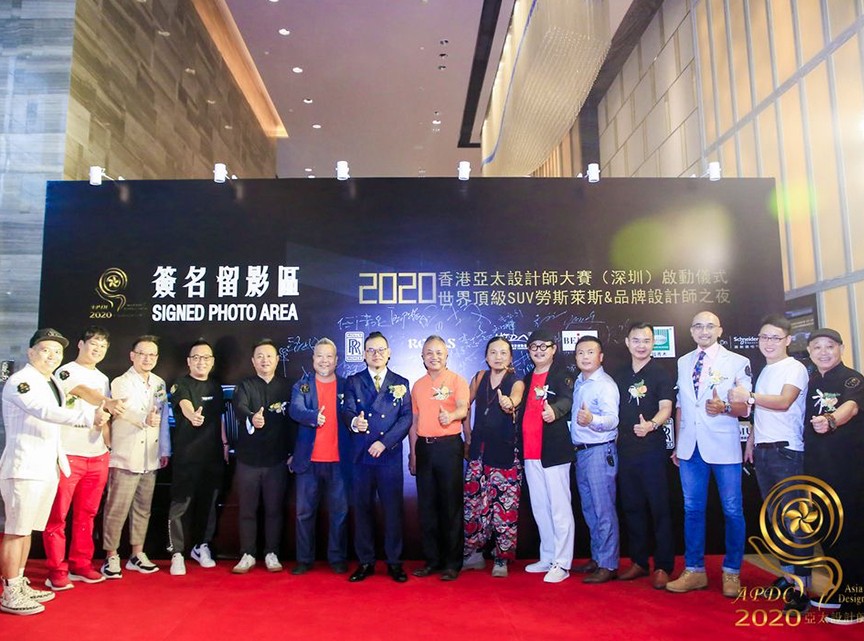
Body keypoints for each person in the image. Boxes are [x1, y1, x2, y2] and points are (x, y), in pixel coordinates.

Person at [1, 329, 109, 616]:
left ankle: (18, 581)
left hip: (45, 467)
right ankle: (10, 592)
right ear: (31, 352)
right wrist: (88, 416)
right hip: (24, 467)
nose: (52, 356)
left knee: (26, 531)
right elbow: (43, 411)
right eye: (45, 350)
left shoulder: (50, 382)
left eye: (57, 352)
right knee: (15, 531)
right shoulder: (21, 381)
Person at [727, 314, 810, 612]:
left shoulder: (795, 368)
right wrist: (751, 440)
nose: (769, 342)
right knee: (776, 521)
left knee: (795, 522)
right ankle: (788, 577)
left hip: (787, 452)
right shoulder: (764, 370)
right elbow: (761, 412)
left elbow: (784, 402)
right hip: (764, 451)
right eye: (764, 337)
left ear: (788, 340)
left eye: (775, 337)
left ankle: (802, 589)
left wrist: (748, 395)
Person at [667, 311, 751, 598]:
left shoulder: (738, 361)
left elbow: (746, 406)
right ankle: (694, 571)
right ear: (691, 331)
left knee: (732, 510)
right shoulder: (683, 361)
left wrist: (725, 408)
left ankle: (732, 571)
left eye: (710, 326)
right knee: (692, 509)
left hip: (724, 446)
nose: (704, 331)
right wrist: (679, 444)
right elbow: (682, 405)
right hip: (690, 448)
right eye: (698, 326)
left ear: (720, 330)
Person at [44, 325, 126, 590]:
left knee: (87, 514)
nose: (98, 350)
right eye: (93, 344)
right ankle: (56, 569)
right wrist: (106, 402)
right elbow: (81, 390)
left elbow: (104, 418)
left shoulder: (103, 377)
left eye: (103, 346)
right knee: (58, 516)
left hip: (97, 456)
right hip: (68, 454)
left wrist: (108, 445)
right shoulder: (65, 371)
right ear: (80, 344)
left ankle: (80, 563)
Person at [802, 328, 864, 625]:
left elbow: (850, 408)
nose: (823, 352)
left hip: (848, 469)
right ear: (810, 352)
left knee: (850, 533)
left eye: (829, 346)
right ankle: (840, 588)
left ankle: (857, 600)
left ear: (841, 348)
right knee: (827, 530)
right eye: (817, 347)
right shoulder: (812, 381)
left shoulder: (852, 379)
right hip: (818, 469)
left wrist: (830, 419)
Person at [341, 332, 412, 583]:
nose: (376, 354)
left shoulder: (400, 382)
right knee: (363, 510)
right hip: (361, 456)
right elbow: (347, 410)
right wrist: (354, 422)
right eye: (371, 350)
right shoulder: (354, 381)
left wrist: (384, 442)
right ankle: (365, 562)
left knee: (393, 511)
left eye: (381, 350)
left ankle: (394, 562)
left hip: (388, 455)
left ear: (389, 353)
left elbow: (406, 418)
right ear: (363, 354)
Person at [101, 335, 171, 579]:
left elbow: (163, 418)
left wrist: (164, 449)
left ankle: (137, 554)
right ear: (132, 356)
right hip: (125, 454)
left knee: (143, 508)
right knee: (116, 509)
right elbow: (123, 410)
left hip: (150, 456)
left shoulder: (159, 383)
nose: (147, 359)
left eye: (152, 355)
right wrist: (144, 419)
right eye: (142, 354)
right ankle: (111, 555)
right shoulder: (121, 382)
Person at [613, 322, 675, 589]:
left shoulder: (661, 373)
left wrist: (651, 424)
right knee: (632, 507)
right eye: (636, 340)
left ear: (654, 343)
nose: (641, 345)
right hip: (625, 450)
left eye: (647, 340)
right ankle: (638, 562)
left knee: (659, 508)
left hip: (652, 450)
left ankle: (663, 565)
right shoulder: (619, 374)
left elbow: (666, 408)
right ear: (628, 343)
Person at [462, 336, 524, 578]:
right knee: (474, 506)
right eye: (493, 352)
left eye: (503, 353)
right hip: (478, 453)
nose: (498, 357)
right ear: (486, 356)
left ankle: (501, 558)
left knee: (504, 508)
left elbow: (516, 398)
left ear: (510, 357)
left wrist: (509, 403)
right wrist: (467, 435)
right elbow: (464, 405)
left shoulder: (516, 381)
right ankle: (474, 554)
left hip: (504, 453)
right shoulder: (479, 377)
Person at [408, 335, 469, 581]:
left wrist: (451, 416)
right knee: (427, 507)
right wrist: (413, 454)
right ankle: (432, 561)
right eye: (429, 353)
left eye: (439, 353)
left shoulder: (457, 380)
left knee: (451, 507)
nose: (434, 357)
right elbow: (413, 422)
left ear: (446, 355)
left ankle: (452, 564)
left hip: (449, 448)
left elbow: (463, 408)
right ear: (422, 357)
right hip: (424, 449)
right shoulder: (418, 386)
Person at [230, 339, 295, 574]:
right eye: (260, 356)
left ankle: (271, 553)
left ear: (277, 360)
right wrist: (252, 417)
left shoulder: (288, 386)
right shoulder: (245, 385)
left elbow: (294, 423)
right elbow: (240, 407)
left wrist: (293, 453)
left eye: (269, 356)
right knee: (247, 509)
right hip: (248, 459)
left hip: (278, 459)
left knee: (274, 509)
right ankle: (247, 553)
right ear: (253, 361)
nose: (264, 360)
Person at [516, 328, 574, 584]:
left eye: (544, 346)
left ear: (553, 349)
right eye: (534, 346)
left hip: (553, 452)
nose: (539, 351)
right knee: (540, 508)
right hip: (530, 453)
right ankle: (548, 556)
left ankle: (563, 563)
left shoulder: (562, 374)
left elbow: (568, 399)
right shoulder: (527, 378)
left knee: (560, 509)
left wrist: (555, 412)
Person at [288, 338, 350, 575]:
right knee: (304, 513)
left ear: (336, 360)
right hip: (308, 462)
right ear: (313, 359)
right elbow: (295, 409)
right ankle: (304, 559)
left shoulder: (346, 386)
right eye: (319, 356)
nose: (324, 361)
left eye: (329, 356)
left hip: (339, 462)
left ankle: (337, 558)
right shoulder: (303, 385)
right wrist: (313, 416)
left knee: (340, 513)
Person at [166, 339, 228, 576]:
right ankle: (177, 552)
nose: (201, 362)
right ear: (189, 361)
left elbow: (220, 418)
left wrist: (224, 444)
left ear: (212, 362)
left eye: (206, 358)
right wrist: (192, 415)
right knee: (180, 504)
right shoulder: (180, 384)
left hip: (212, 457)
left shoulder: (215, 387)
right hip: (186, 456)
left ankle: (201, 546)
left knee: (208, 505)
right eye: (197, 357)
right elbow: (183, 404)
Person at [570, 336, 620, 584]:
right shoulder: (580, 382)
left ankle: (608, 564)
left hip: (600, 451)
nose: (585, 357)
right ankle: (598, 557)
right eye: (580, 352)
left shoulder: (605, 385)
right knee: (590, 509)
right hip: (582, 452)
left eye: (590, 352)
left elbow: (612, 419)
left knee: (603, 509)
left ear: (601, 357)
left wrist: (592, 421)